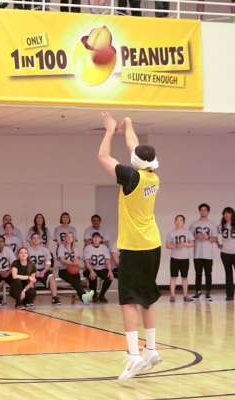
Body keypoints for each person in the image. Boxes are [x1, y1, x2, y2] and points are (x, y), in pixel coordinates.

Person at [98, 112, 162, 380]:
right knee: (147, 298)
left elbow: (102, 157)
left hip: (134, 247)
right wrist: (130, 125)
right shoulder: (152, 177)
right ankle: (152, 349)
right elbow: (135, 148)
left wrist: (110, 130)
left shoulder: (130, 177)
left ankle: (134, 355)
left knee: (128, 301)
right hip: (153, 245)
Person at [189, 203, 218, 301]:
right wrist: (195, 237)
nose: (203, 211)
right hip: (197, 253)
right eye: (201, 210)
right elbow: (189, 238)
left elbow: (216, 239)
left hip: (208, 254)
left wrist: (208, 237)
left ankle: (208, 292)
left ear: (208, 212)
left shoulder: (212, 224)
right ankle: (197, 292)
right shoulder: (194, 224)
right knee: (198, 274)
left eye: (205, 210)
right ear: (199, 211)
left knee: (208, 273)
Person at [57, 232, 93, 304]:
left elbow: (76, 260)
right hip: (63, 270)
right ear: (65, 238)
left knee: (76, 279)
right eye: (67, 236)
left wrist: (74, 264)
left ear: (73, 239)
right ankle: (84, 295)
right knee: (74, 281)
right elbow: (62, 260)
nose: (69, 238)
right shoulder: (61, 247)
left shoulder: (75, 248)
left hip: (73, 269)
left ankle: (84, 298)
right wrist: (72, 263)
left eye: (71, 237)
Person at [166, 215, 195, 303]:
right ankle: (172, 296)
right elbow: (167, 245)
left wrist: (185, 244)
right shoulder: (171, 233)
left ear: (183, 222)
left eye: (181, 220)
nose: (179, 222)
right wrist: (175, 246)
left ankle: (185, 296)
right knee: (173, 277)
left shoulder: (188, 232)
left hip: (185, 258)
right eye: (177, 220)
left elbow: (192, 244)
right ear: (174, 222)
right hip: (174, 258)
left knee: (184, 277)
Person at [28, 232, 61, 305]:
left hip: (43, 269)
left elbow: (48, 262)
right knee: (30, 279)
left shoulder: (45, 250)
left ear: (40, 240)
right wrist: (35, 271)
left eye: (37, 238)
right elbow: (27, 264)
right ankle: (30, 299)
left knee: (51, 276)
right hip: (32, 270)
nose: (36, 239)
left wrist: (44, 271)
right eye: (34, 238)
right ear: (31, 240)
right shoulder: (27, 250)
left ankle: (55, 297)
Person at [83, 232, 114, 303]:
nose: (96, 239)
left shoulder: (104, 247)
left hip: (102, 268)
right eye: (94, 237)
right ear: (91, 240)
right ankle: (94, 296)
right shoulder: (87, 248)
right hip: (90, 268)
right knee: (93, 276)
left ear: (101, 239)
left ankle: (101, 295)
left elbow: (107, 261)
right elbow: (87, 262)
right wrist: (91, 271)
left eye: (98, 237)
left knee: (109, 277)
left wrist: (110, 271)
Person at [218, 207, 235, 301]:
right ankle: (230, 295)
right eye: (225, 213)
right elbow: (219, 238)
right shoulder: (220, 226)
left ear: (232, 214)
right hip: (225, 253)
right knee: (228, 274)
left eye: (228, 213)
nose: (226, 215)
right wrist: (219, 243)